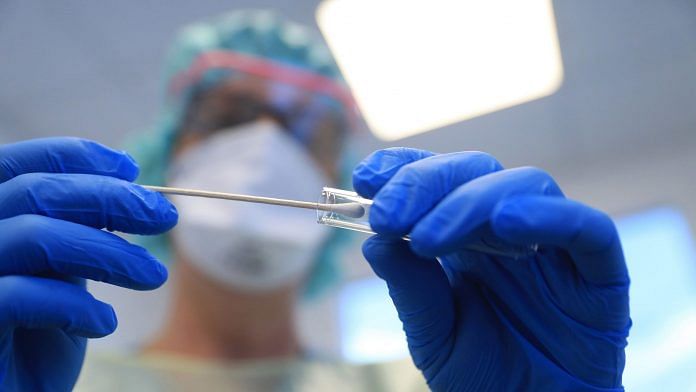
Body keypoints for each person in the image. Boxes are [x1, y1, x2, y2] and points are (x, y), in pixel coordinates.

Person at [0, 11, 630, 392]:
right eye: (230, 118)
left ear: (340, 180)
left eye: (308, 134)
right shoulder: (53, 378)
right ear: (167, 152)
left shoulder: (434, 388)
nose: (265, 148)